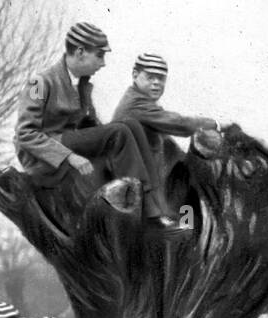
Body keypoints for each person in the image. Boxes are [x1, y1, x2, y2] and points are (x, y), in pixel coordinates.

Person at [14, 22, 189, 234]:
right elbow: (25, 135)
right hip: (42, 157)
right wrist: (69, 156)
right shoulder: (40, 83)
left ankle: (154, 208)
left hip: (68, 141)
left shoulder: (81, 85)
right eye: (99, 55)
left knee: (129, 125)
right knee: (120, 132)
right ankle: (147, 212)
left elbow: (88, 127)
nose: (103, 63)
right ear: (80, 52)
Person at [110, 53, 218, 172]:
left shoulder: (145, 104)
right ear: (135, 75)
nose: (156, 83)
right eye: (150, 77)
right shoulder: (137, 104)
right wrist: (215, 124)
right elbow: (180, 124)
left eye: (161, 78)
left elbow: (169, 147)